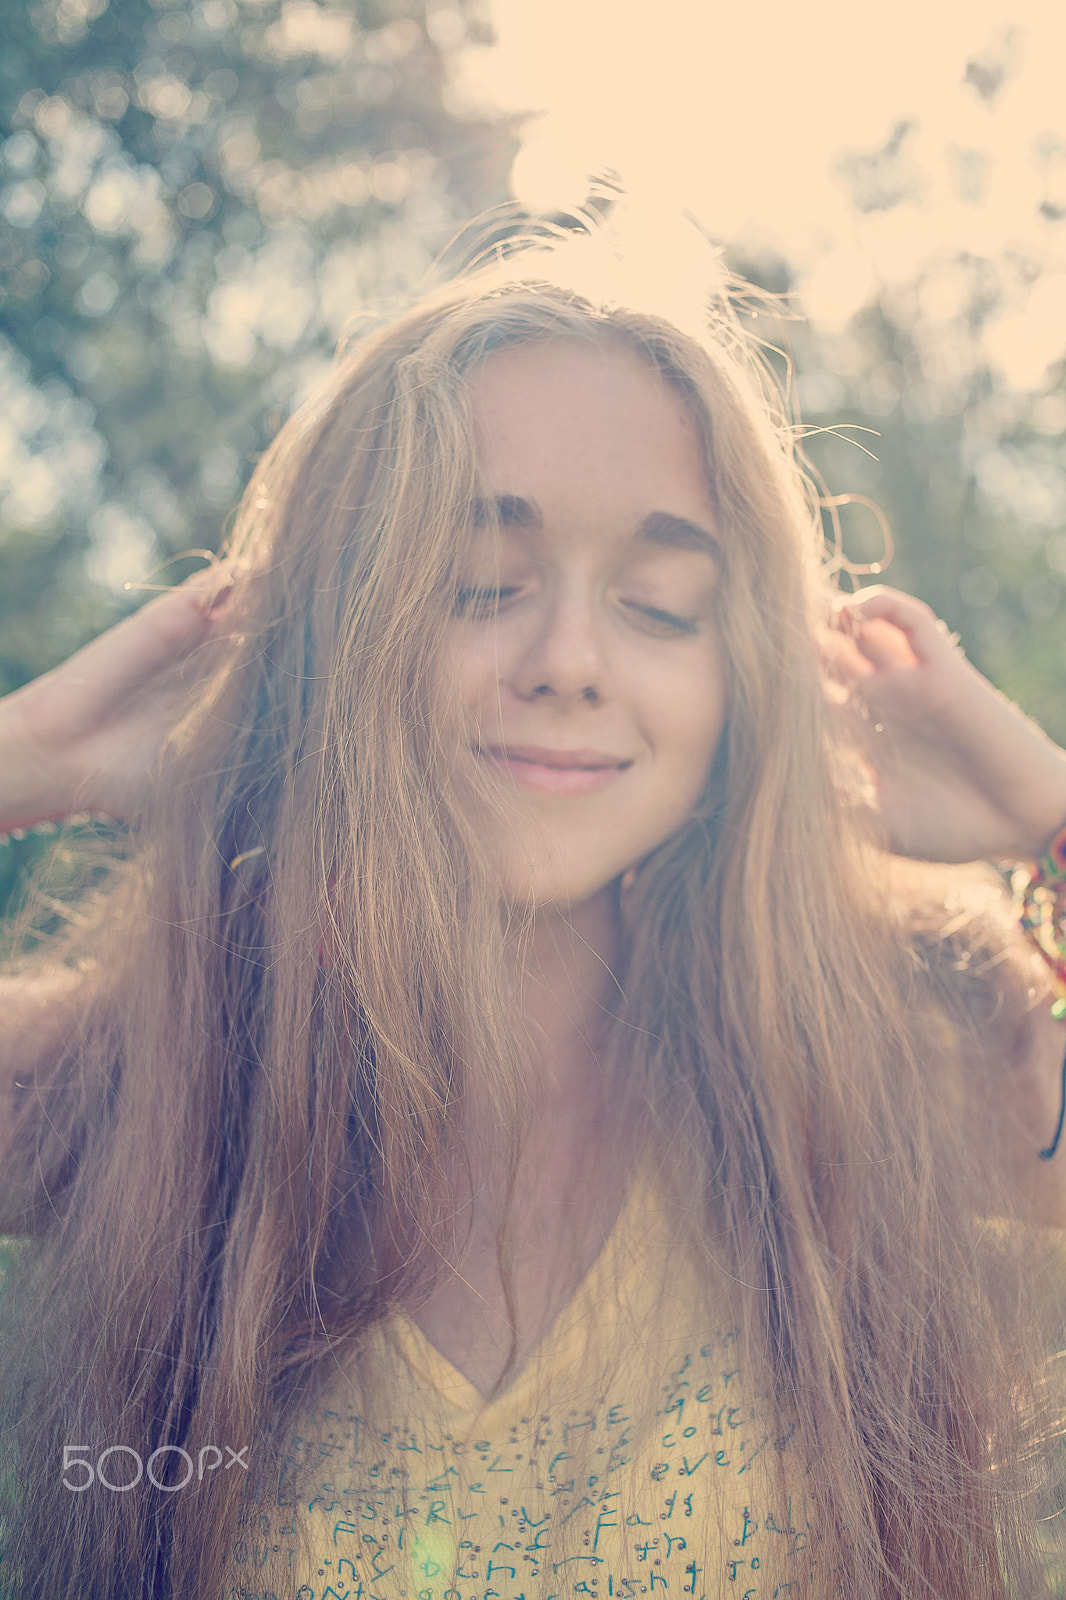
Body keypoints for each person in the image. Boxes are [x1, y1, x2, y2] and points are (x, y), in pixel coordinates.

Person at [2, 237, 1066, 1600]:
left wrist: (1045, 804)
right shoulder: (143, 1082)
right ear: (334, 633)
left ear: (745, 679)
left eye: (658, 606)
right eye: (480, 587)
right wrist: (33, 758)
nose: (568, 662)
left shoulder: (901, 1070)